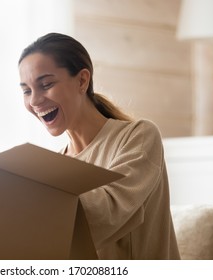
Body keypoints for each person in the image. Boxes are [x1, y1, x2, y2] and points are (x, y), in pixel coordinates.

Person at [18, 32, 180, 260]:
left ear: (82, 81)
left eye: (45, 84)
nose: (34, 101)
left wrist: (27, 202)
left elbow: (108, 211)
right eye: (26, 90)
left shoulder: (138, 136)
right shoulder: (56, 165)